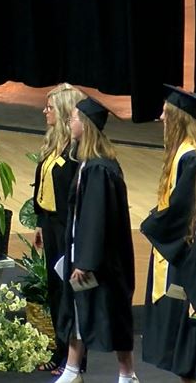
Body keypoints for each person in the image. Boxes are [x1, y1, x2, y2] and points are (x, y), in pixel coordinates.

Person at [54, 97, 138, 383]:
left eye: (74, 118)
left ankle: (127, 375)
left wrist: (86, 261)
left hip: (103, 260)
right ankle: (72, 369)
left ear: (86, 125)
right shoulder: (88, 162)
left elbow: (95, 218)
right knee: (79, 309)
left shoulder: (100, 168)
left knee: (112, 314)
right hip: (87, 253)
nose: (70, 122)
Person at [140, 84, 196, 383]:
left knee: (185, 336)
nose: (160, 116)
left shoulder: (190, 157)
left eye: (165, 111)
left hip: (182, 253)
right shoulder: (180, 156)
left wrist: (152, 226)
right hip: (172, 249)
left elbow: (182, 210)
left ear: (178, 118)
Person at [32, 83, 85, 374]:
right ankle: (60, 349)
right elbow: (43, 185)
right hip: (51, 224)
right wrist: (40, 221)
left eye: (49, 107)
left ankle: (73, 358)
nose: (44, 112)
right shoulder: (53, 141)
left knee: (69, 292)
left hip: (68, 228)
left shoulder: (78, 150)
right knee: (55, 289)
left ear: (64, 110)